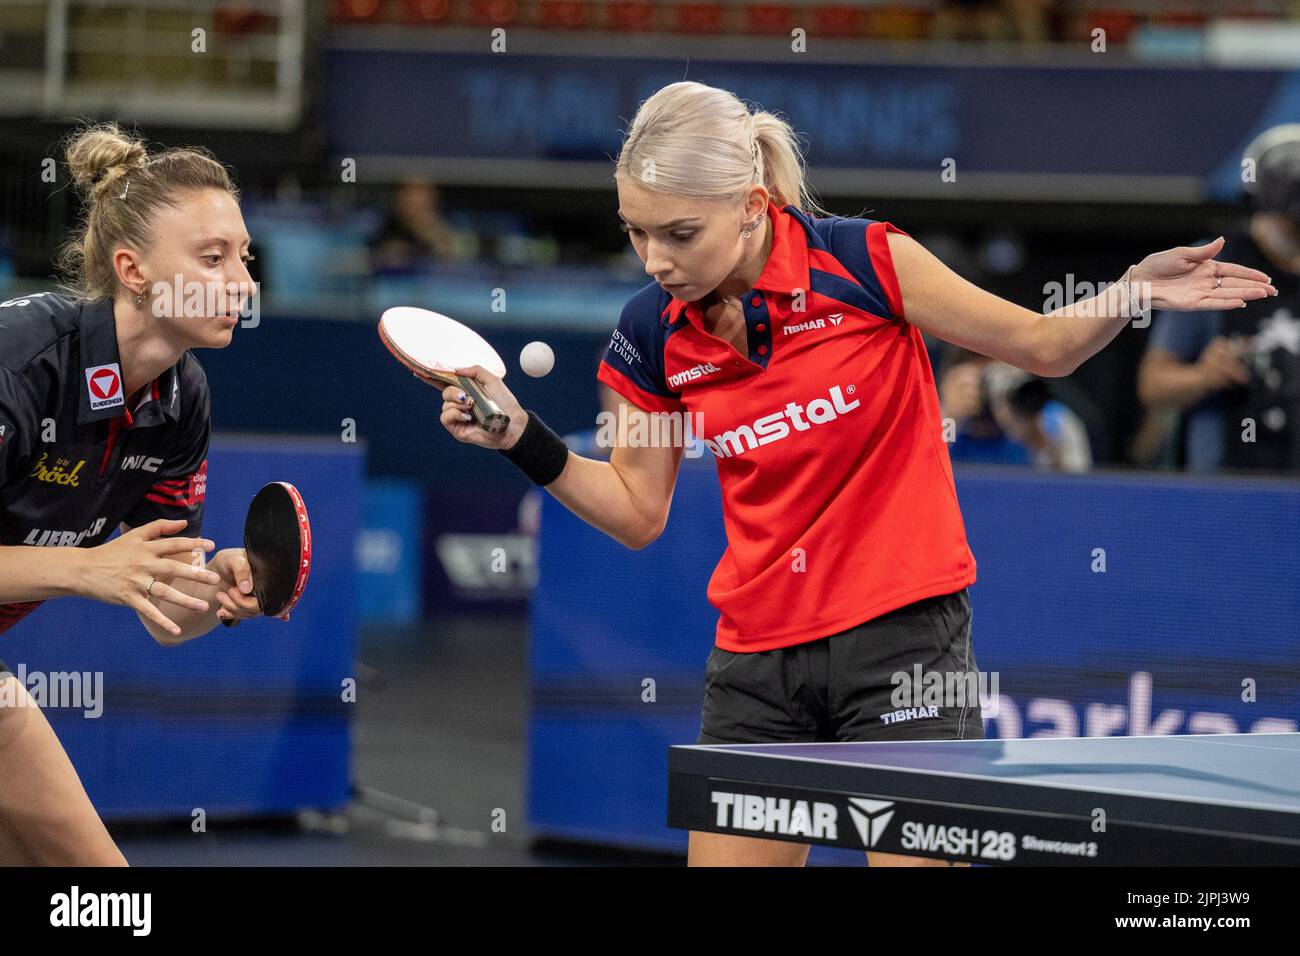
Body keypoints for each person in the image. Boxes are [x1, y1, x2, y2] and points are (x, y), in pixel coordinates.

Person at [432, 81, 1274, 866]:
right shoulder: (651, 334)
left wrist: (1130, 291)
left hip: (903, 646)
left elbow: (1040, 346)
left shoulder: (866, 263)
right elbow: (635, 510)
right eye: (635, 231)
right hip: (757, 665)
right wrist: (519, 437)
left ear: (753, 206)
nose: (654, 259)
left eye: (679, 233)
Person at [0, 123, 273, 865]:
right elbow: (106, 571)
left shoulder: (182, 401)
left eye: (242, 258)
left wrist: (215, 592)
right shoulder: (19, 365)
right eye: (211, 259)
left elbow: (165, 618)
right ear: (134, 269)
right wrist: (89, 569)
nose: (243, 284)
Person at [1138, 124, 1300, 474]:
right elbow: (1153, 385)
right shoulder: (1212, 265)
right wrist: (1204, 376)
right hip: (1229, 484)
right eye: (1290, 222)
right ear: (1262, 204)